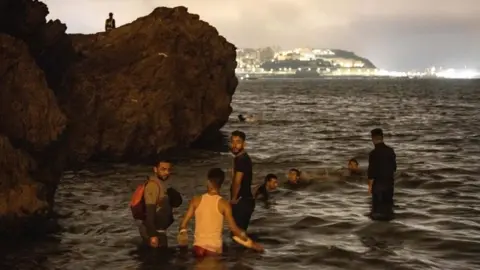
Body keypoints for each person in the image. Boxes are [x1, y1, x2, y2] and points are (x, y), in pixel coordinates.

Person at [177, 168, 263, 256]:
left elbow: (182, 225)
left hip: (198, 248)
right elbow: (234, 230)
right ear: (221, 183)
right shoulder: (224, 204)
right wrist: (251, 244)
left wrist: (183, 233)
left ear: (208, 182)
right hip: (214, 249)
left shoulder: (195, 200)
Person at [138, 159, 181, 248]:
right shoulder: (153, 186)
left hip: (159, 230)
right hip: (153, 232)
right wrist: (153, 235)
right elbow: (149, 214)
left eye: (169, 170)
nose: (166, 172)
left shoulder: (162, 185)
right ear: (155, 169)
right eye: (163, 169)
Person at [367, 128, 397, 220]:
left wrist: (369, 187)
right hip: (389, 185)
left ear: (373, 139)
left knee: (376, 213)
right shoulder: (390, 151)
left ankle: (378, 232)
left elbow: (371, 173)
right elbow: (394, 168)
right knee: (388, 210)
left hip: (378, 187)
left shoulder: (373, 153)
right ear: (382, 138)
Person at [229, 130, 255, 232]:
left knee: (237, 234)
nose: (235, 145)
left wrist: (233, 200)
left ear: (244, 144)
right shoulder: (241, 158)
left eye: (238, 142)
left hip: (242, 201)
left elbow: (237, 182)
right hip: (245, 200)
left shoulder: (242, 160)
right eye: (233, 142)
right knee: (240, 233)